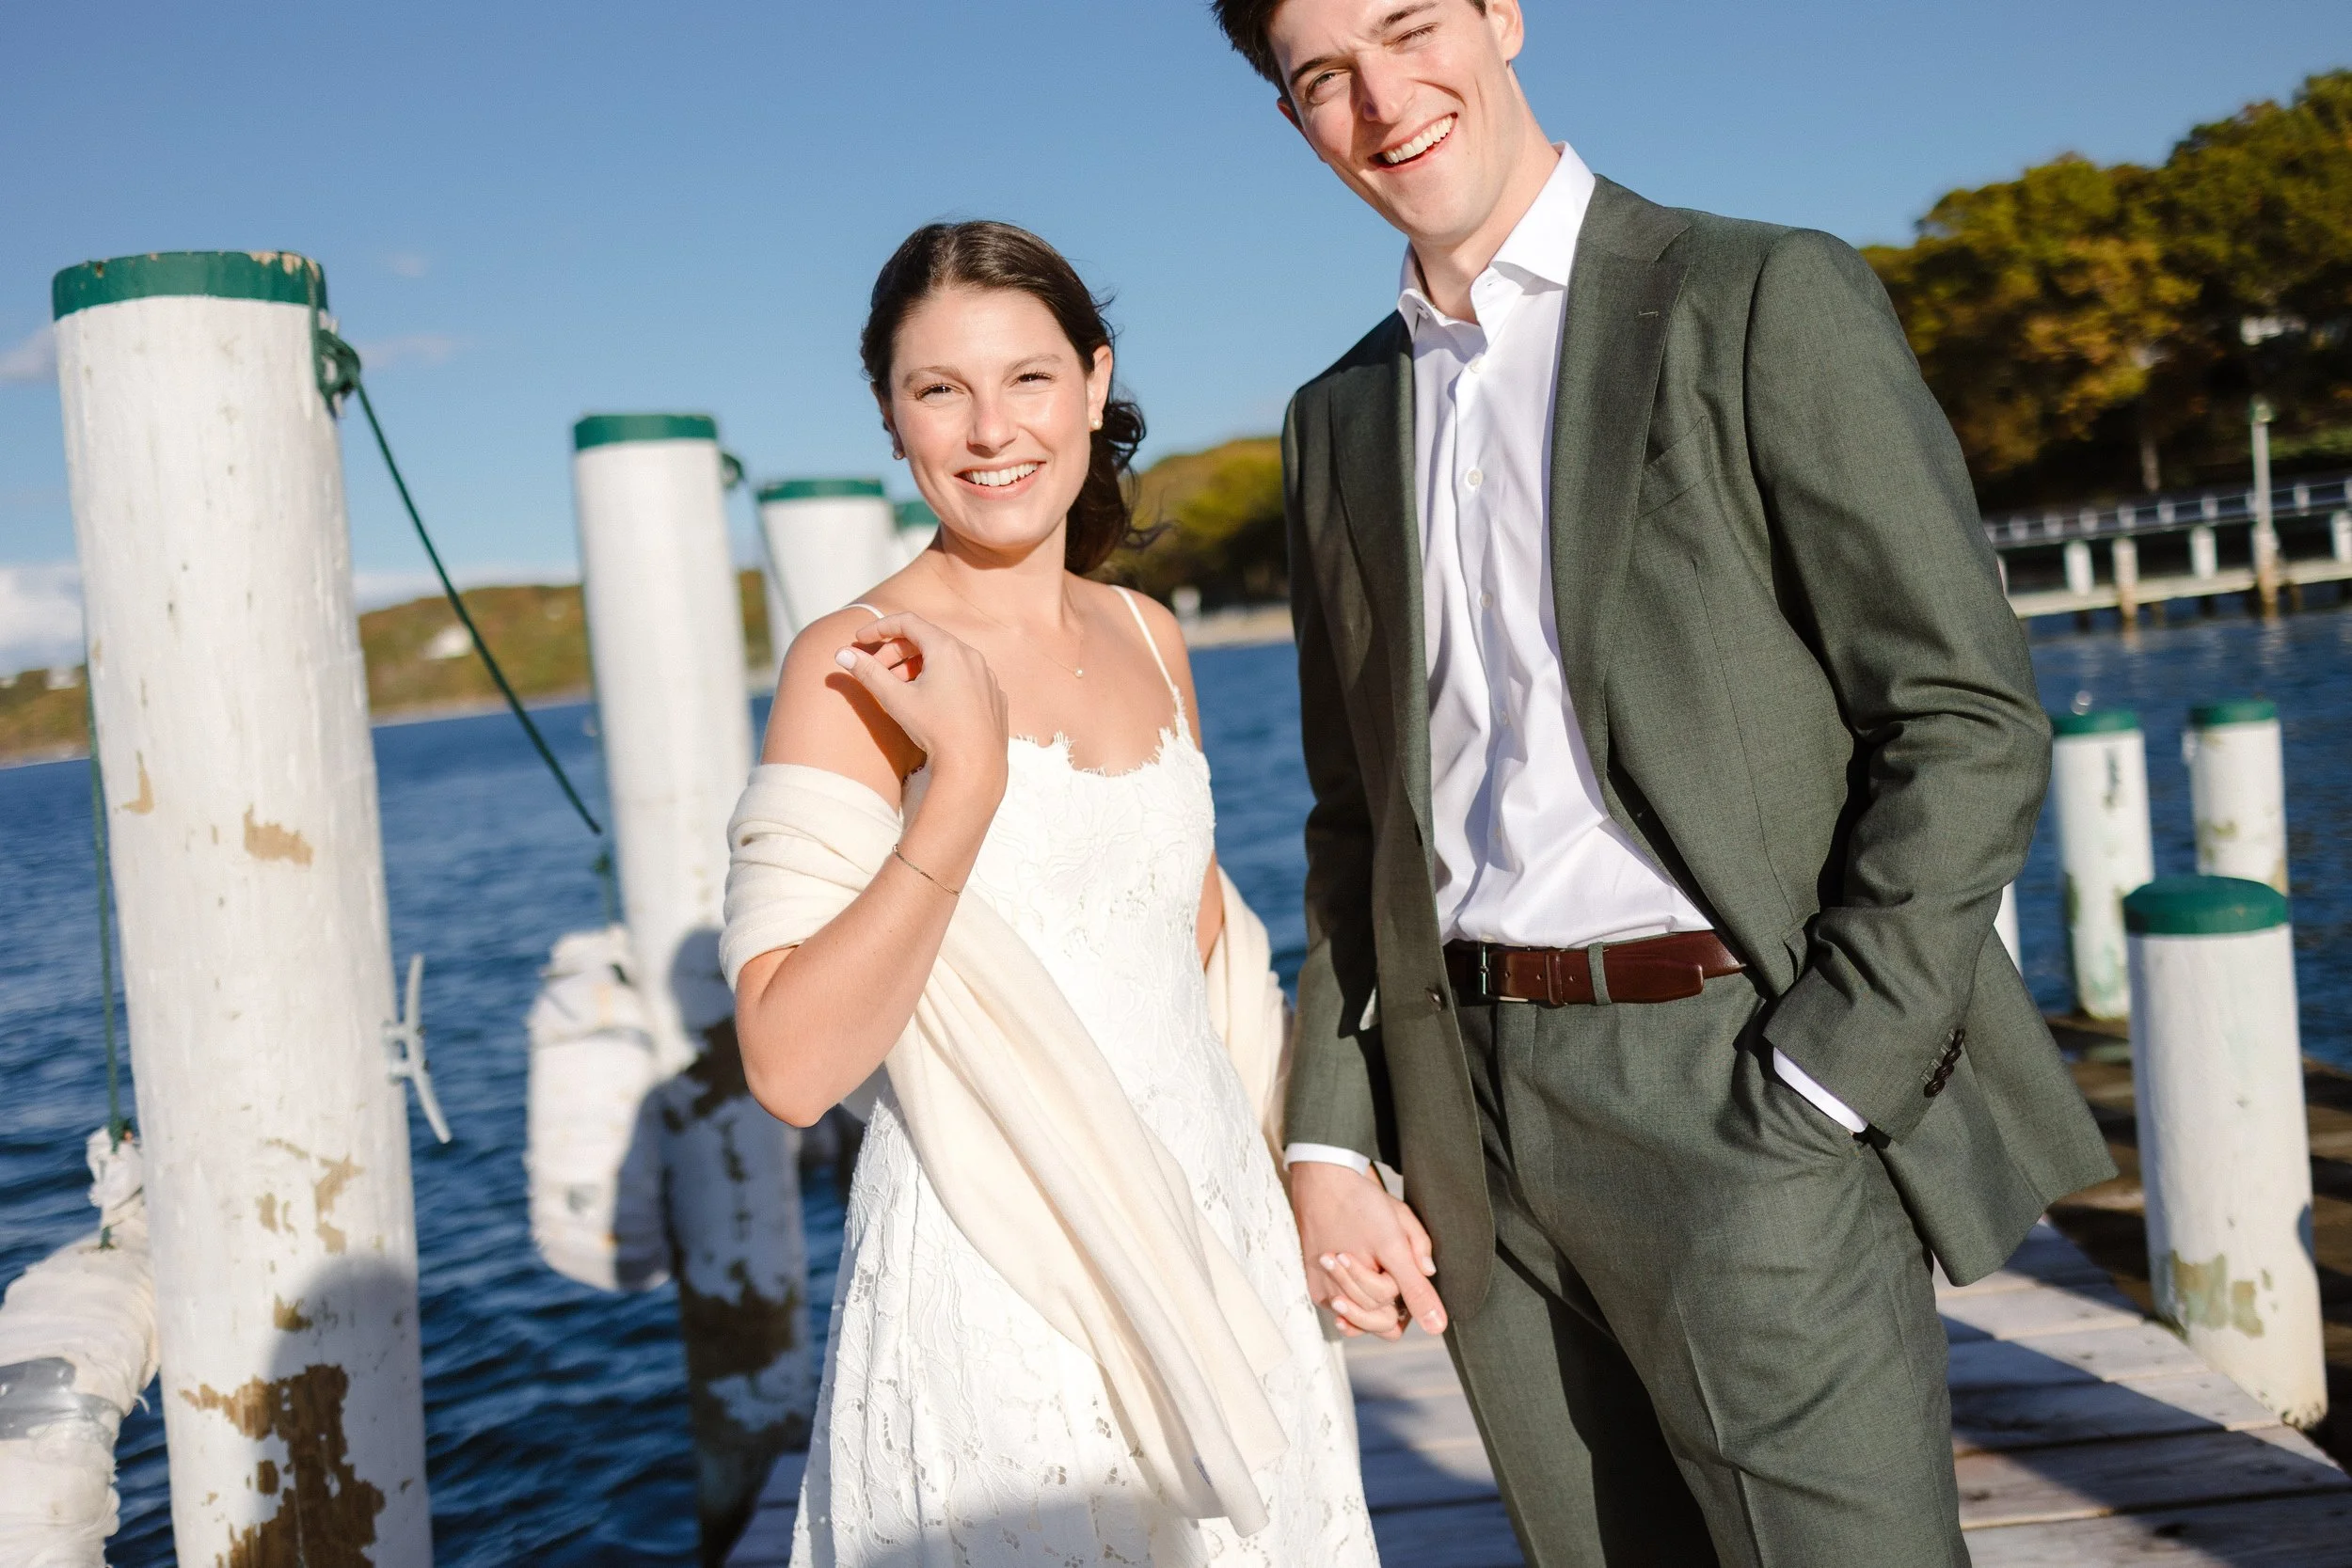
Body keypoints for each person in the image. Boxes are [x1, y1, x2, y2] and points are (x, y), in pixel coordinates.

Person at [1207, 2, 2118, 1563]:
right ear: (1292, 116)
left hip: (1740, 1079)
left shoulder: (1756, 295)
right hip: (1471, 1121)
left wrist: (1828, 1074)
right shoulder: (1336, 418)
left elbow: (1963, 712)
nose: (1380, 98)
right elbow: (1362, 822)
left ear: (1501, 13)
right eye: (1321, 77)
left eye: (1409, 26)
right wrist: (1333, 1139)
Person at [723, 220, 1379, 1567]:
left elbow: (1208, 961)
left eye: (1027, 378)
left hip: (1214, 1226)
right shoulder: (854, 660)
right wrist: (959, 788)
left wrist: (1322, 1168)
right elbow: (790, 1064)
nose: (988, 431)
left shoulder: (1149, 631)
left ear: (1094, 382)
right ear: (891, 420)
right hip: (998, 1259)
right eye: (938, 390)